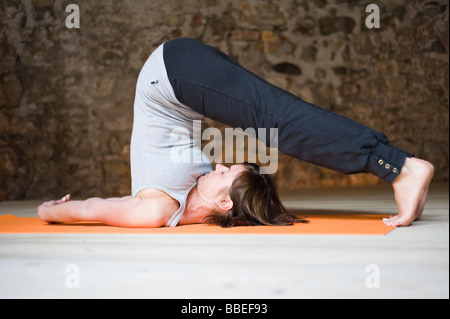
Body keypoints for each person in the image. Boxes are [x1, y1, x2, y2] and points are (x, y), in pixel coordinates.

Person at [38, 38, 434, 228]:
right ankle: (398, 166)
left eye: (225, 172)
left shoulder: (156, 210)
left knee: (278, 121)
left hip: (175, 77)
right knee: (274, 120)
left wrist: (49, 210)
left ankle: (398, 166)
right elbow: (252, 201)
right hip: (183, 74)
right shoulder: (199, 190)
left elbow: (93, 209)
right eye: (227, 169)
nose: (221, 162)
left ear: (223, 202)